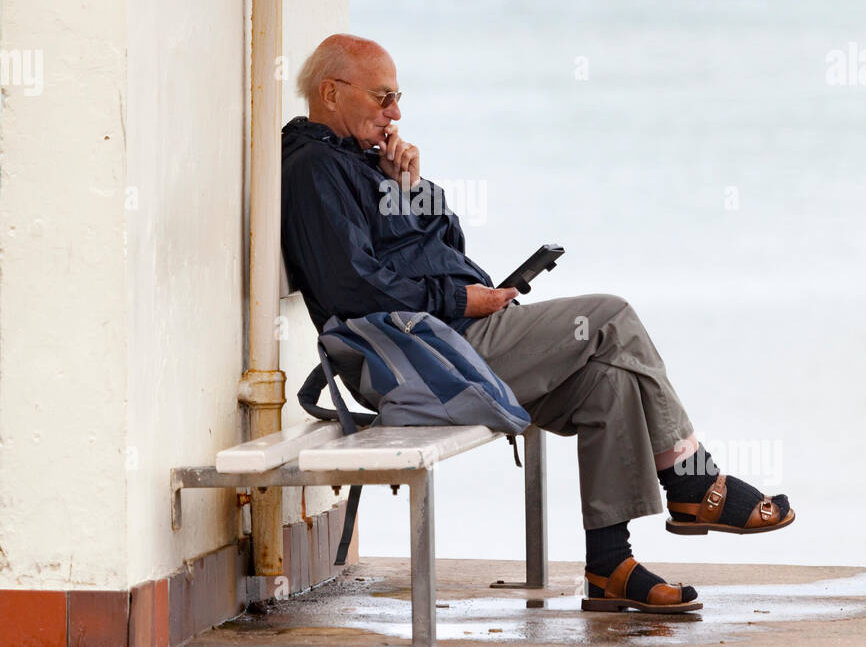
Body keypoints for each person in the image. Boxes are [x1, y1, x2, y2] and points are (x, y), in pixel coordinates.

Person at [281, 34, 794, 614]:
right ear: (330, 92)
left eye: (397, 97)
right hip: (418, 359)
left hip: (452, 342)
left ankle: (609, 567)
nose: (395, 112)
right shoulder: (314, 169)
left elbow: (446, 244)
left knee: (611, 383)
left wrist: (412, 188)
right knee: (612, 317)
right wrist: (462, 299)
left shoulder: (363, 162)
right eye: (383, 97)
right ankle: (694, 481)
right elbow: (351, 287)